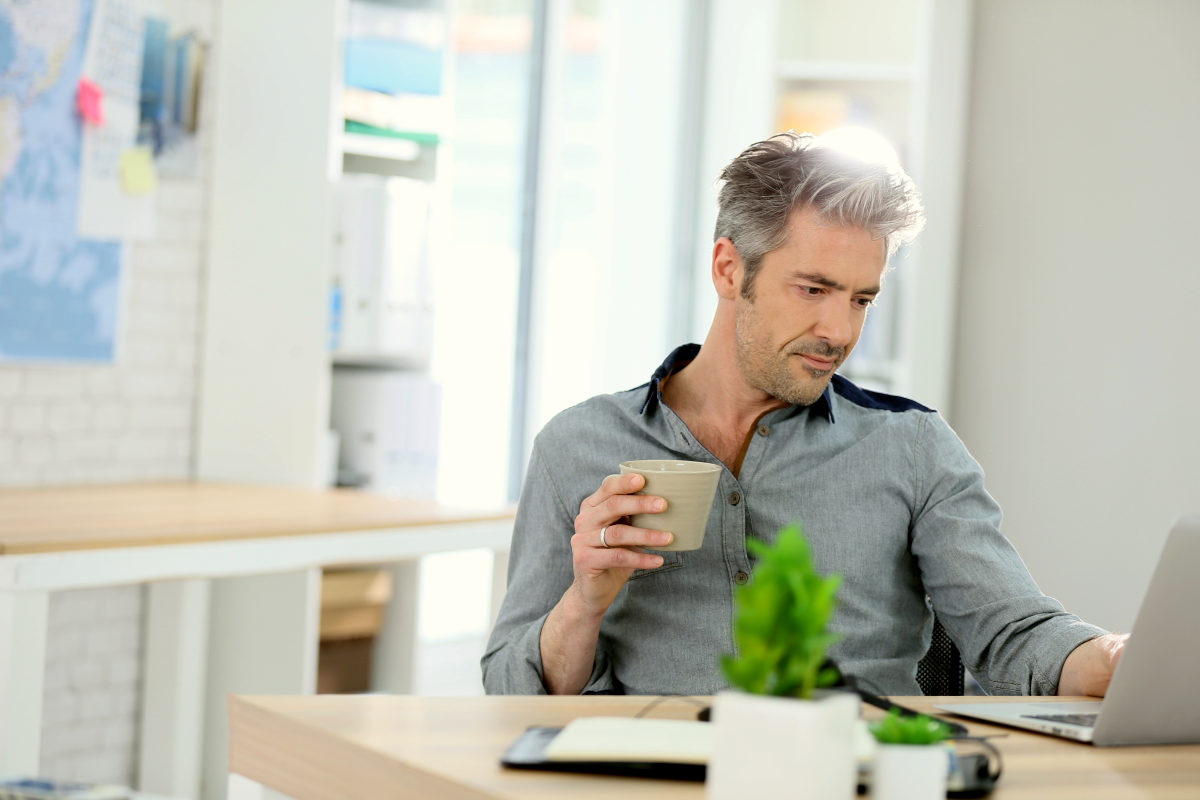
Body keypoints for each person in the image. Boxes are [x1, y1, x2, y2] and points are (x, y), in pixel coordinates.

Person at [482, 130, 1125, 698]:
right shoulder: (577, 445)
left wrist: (1119, 660)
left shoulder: (914, 447)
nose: (839, 331)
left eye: (861, 299)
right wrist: (584, 604)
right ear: (730, 269)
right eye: (814, 290)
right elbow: (512, 688)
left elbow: (1013, 635)